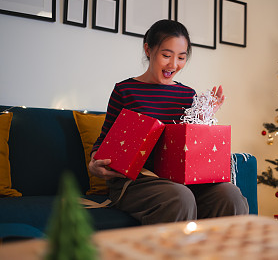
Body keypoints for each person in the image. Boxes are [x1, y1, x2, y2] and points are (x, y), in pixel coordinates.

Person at [89, 19, 249, 225]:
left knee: (230, 194)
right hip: (138, 181)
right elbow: (104, 143)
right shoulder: (125, 91)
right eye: (166, 55)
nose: (173, 65)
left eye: (181, 57)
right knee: (179, 197)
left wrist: (204, 117)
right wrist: (95, 165)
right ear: (148, 49)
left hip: (181, 181)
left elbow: (190, 148)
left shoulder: (187, 94)